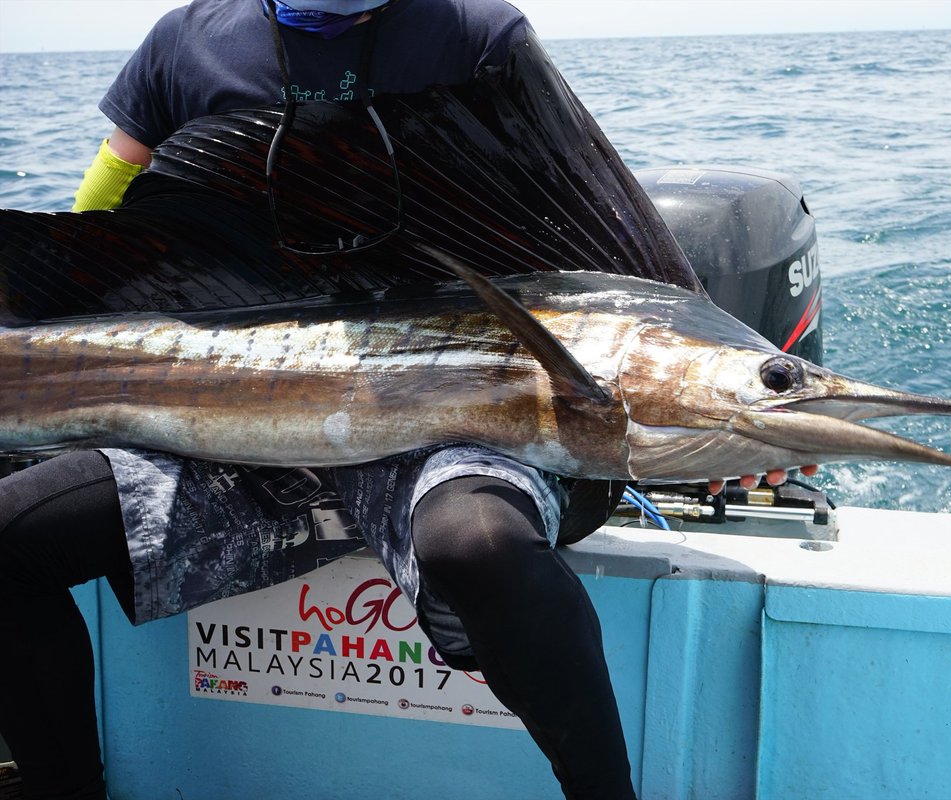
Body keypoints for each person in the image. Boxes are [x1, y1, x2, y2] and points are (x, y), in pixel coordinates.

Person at [0, 2, 789, 797]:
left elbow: (594, 261)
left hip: (450, 417)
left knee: (478, 545)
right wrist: (71, 312)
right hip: (244, 423)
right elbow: (108, 198)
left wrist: (717, 432)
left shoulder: (475, 34)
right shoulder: (187, 40)